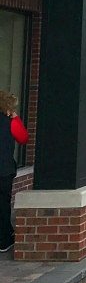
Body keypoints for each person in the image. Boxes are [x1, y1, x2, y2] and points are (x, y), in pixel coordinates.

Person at [0, 91, 29, 253]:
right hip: (4, 169)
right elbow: (23, 138)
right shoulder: (10, 122)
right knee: (3, 203)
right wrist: (16, 118)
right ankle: (4, 239)